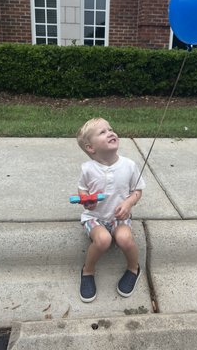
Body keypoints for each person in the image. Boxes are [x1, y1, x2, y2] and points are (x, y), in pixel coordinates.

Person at [76, 117, 146, 302]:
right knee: (103, 240)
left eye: (110, 129)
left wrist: (129, 203)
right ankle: (88, 271)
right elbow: (82, 189)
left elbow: (138, 191)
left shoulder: (129, 165)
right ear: (91, 148)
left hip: (119, 217)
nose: (111, 133)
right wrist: (86, 200)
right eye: (103, 132)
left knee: (124, 238)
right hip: (94, 216)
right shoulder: (88, 169)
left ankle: (133, 268)